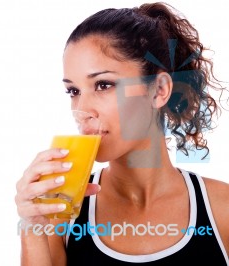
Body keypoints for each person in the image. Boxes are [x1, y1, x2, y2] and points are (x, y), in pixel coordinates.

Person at [15, 2, 229, 265]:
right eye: (73, 91)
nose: (82, 110)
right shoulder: (61, 215)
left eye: (103, 85)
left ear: (159, 90)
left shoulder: (223, 210)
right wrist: (32, 227)